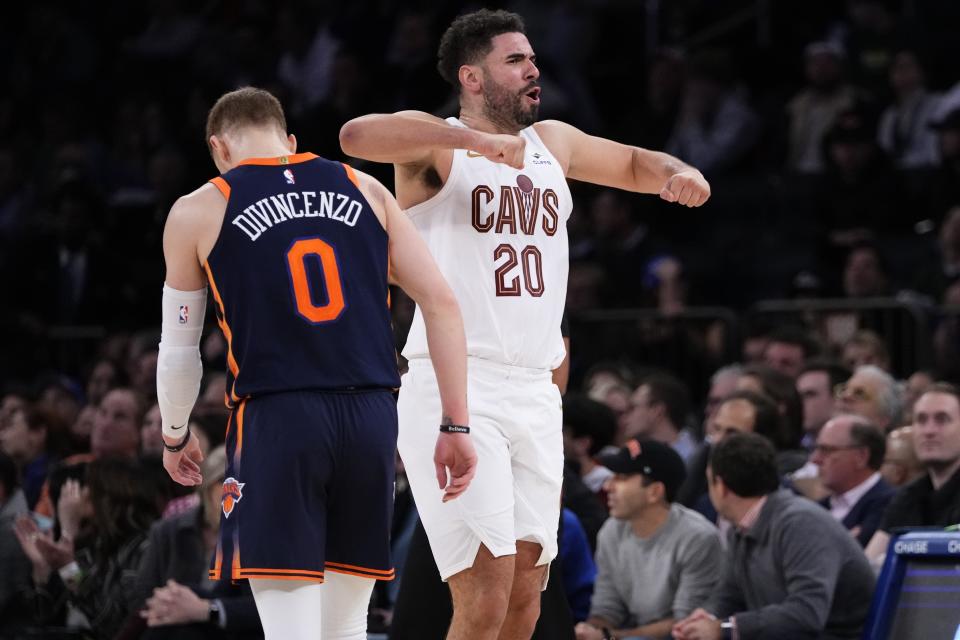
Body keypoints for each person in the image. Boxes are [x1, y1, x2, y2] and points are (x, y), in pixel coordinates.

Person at [340, 10, 710, 636]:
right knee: (482, 594)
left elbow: (634, 162)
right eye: (515, 60)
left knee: (523, 600)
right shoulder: (436, 144)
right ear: (472, 77)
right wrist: (472, 142)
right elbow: (354, 136)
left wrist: (680, 171)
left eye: (534, 58)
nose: (534, 69)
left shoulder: (553, 144)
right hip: (457, 383)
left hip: (535, 389)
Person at [157, 86, 476, 640]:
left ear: (219, 149)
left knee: (291, 631)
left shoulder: (199, 206)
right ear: (291, 141)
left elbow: (179, 349)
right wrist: (456, 422)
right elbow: (443, 303)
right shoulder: (364, 186)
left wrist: (174, 433)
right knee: (346, 627)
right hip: (373, 416)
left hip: (280, 419)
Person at [672, 433, 875, 640]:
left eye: (709, 482)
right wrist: (707, 617)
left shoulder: (801, 524)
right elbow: (730, 594)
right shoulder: (741, 527)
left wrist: (724, 629)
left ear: (721, 486)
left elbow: (806, 613)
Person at [575, 439, 720, 640]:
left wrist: (611, 636)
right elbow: (607, 608)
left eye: (622, 477)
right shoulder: (611, 531)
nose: (608, 486)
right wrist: (590, 631)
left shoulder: (697, 538)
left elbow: (685, 623)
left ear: (654, 492)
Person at [865, 384, 960, 565]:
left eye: (942, 419)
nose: (929, 431)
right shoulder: (908, 496)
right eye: (921, 420)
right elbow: (868, 567)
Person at [811, 415, 895, 546]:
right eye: (816, 449)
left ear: (861, 456)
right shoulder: (816, 508)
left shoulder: (890, 506)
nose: (815, 459)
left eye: (826, 450)